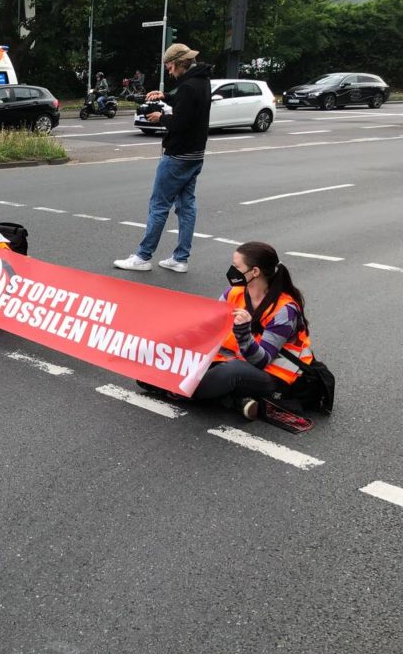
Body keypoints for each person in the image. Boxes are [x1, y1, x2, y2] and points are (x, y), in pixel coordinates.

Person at [140, 242, 313, 420]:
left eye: (237, 267)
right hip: (233, 358)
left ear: (255, 272)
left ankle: (178, 389)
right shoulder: (233, 293)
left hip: (274, 374)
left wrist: (243, 331)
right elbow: (207, 330)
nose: (232, 270)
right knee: (156, 368)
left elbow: (261, 361)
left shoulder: (284, 309)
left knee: (231, 372)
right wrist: (170, 343)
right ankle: (235, 400)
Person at [114, 43, 212, 273]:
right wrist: (166, 96)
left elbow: (180, 123)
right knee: (186, 206)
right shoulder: (202, 81)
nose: (169, 72)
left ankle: (143, 256)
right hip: (196, 154)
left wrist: (160, 118)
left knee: (159, 205)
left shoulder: (188, 86)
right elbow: (188, 107)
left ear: (179, 63)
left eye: (169, 67)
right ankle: (180, 258)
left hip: (178, 154)